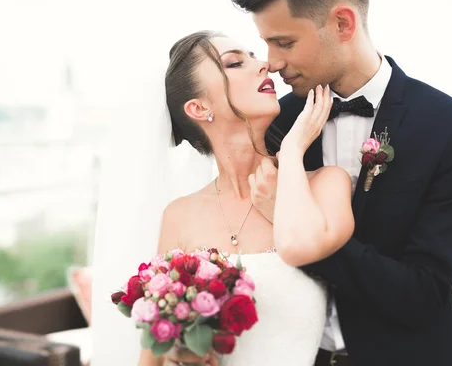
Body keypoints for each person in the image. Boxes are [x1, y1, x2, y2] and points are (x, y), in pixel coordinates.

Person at [219, 0, 452, 365]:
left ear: (343, 23)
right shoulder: (274, 122)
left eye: (285, 42)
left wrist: (300, 227)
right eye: (266, 44)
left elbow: (424, 292)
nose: (272, 63)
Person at [136, 31, 355, 366]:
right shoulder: (178, 217)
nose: (264, 65)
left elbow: (312, 248)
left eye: (254, 56)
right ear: (199, 107)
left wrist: (293, 151)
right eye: (236, 63)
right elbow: (151, 359)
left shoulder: (327, 185)